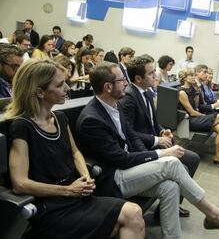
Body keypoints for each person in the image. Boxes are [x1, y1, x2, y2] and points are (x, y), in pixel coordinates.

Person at [76, 62, 219, 238]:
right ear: (108, 87)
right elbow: (121, 159)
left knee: (170, 186)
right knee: (171, 163)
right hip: (112, 178)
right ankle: (214, 215)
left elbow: (132, 137)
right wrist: (161, 154)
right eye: (122, 80)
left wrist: (155, 153)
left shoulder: (114, 104)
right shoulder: (92, 119)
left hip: (126, 169)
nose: (126, 83)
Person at [5, 59, 144, 239]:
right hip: (52, 207)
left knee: (131, 216)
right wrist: (69, 190)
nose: (68, 89)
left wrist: (85, 176)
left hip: (76, 197)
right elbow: (20, 183)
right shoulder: (22, 127)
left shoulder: (60, 118)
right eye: (61, 85)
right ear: (40, 92)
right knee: (130, 216)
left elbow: (75, 152)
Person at [118, 56, 200, 217]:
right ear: (138, 78)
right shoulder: (129, 97)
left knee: (193, 159)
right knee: (183, 163)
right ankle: (168, 209)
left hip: (153, 142)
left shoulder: (146, 93)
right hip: (142, 147)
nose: (155, 75)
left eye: (154, 71)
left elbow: (153, 123)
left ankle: (170, 206)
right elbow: (129, 133)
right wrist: (157, 140)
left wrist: (162, 131)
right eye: (151, 73)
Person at [178, 68, 219, 168]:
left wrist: (196, 92)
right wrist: (206, 117)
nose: (193, 77)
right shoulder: (182, 92)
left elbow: (196, 106)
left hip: (196, 117)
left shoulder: (192, 89)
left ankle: (218, 156)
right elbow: (191, 112)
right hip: (190, 120)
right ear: (184, 78)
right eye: (191, 75)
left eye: (193, 75)